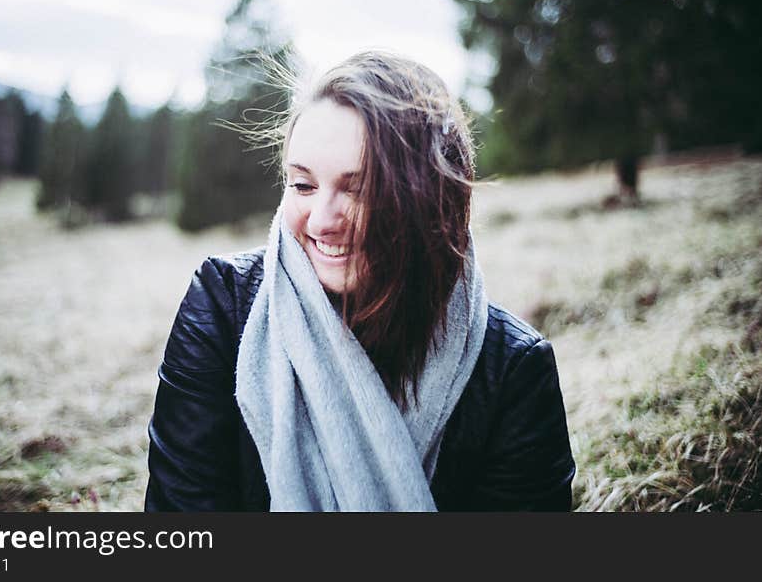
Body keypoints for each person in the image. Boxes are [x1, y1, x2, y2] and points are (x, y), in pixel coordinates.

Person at [145, 50, 575, 511]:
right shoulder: (222, 308)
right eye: (303, 186)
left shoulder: (512, 372)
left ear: (431, 202)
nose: (322, 221)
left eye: (359, 189)